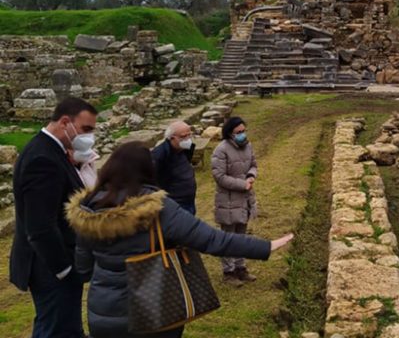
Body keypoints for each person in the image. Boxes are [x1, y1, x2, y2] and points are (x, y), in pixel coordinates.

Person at [66, 142, 293, 338]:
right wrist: (265, 247)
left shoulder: (88, 212)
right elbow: (212, 240)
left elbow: (84, 269)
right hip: (153, 311)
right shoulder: (158, 209)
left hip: (103, 316)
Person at [10, 96, 98, 338]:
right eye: (86, 129)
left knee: (65, 326)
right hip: (50, 265)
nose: (89, 136)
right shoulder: (43, 159)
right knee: (56, 329)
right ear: (65, 122)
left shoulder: (52, 151)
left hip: (55, 261)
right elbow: (40, 226)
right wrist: (65, 270)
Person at [212, 117, 258, 284]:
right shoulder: (221, 150)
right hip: (228, 200)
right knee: (228, 236)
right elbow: (219, 176)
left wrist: (251, 176)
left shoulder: (248, 146)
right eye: (238, 132)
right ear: (230, 133)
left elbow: (253, 164)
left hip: (245, 197)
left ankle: (241, 268)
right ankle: (228, 272)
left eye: (243, 131)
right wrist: (242, 184)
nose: (242, 134)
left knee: (241, 235)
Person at [152, 121, 197, 214]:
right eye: (184, 136)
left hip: (189, 201)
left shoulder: (185, 149)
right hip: (174, 205)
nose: (188, 139)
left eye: (189, 135)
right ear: (172, 138)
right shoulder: (159, 155)